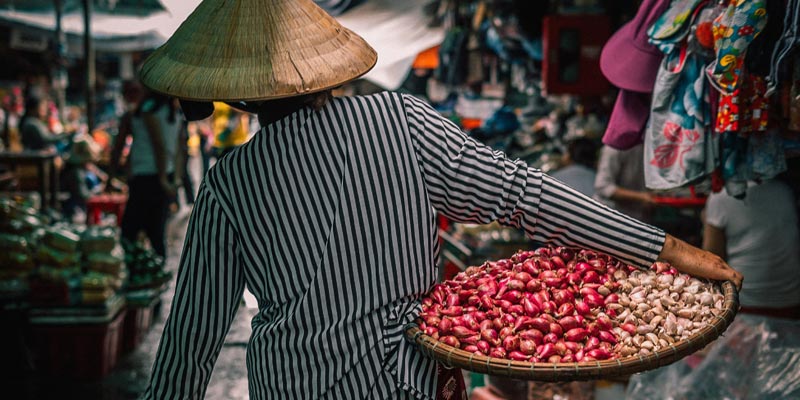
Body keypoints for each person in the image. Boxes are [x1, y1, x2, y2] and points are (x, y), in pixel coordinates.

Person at [139, 1, 742, 399]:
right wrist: (659, 246)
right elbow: (522, 194)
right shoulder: (398, 119)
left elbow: (191, 341)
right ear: (325, 68)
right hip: (405, 383)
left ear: (237, 100)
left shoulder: (229, 181)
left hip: (294, 383)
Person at [703, 179, 800, 319]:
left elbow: (711, 261)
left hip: (742, 306)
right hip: (792, 304)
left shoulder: (720, 198)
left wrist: (705, 222)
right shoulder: (785, 190)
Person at [112, 88, 183, 259]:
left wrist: (163, 178)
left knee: (131, 231)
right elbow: (180, 148)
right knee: (156, 230)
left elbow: (158, 145)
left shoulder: (147, 109)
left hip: (148, 176)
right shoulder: (174, 111)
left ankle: (139, 272)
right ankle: (157, 272)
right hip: (165, 175)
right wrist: (176, 178)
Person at [594, 143, 654, 223]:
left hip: (637, 219)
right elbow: (603, 187)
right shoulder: (614, 147)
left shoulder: (648, 146)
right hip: (611, 218)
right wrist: (641, 197)